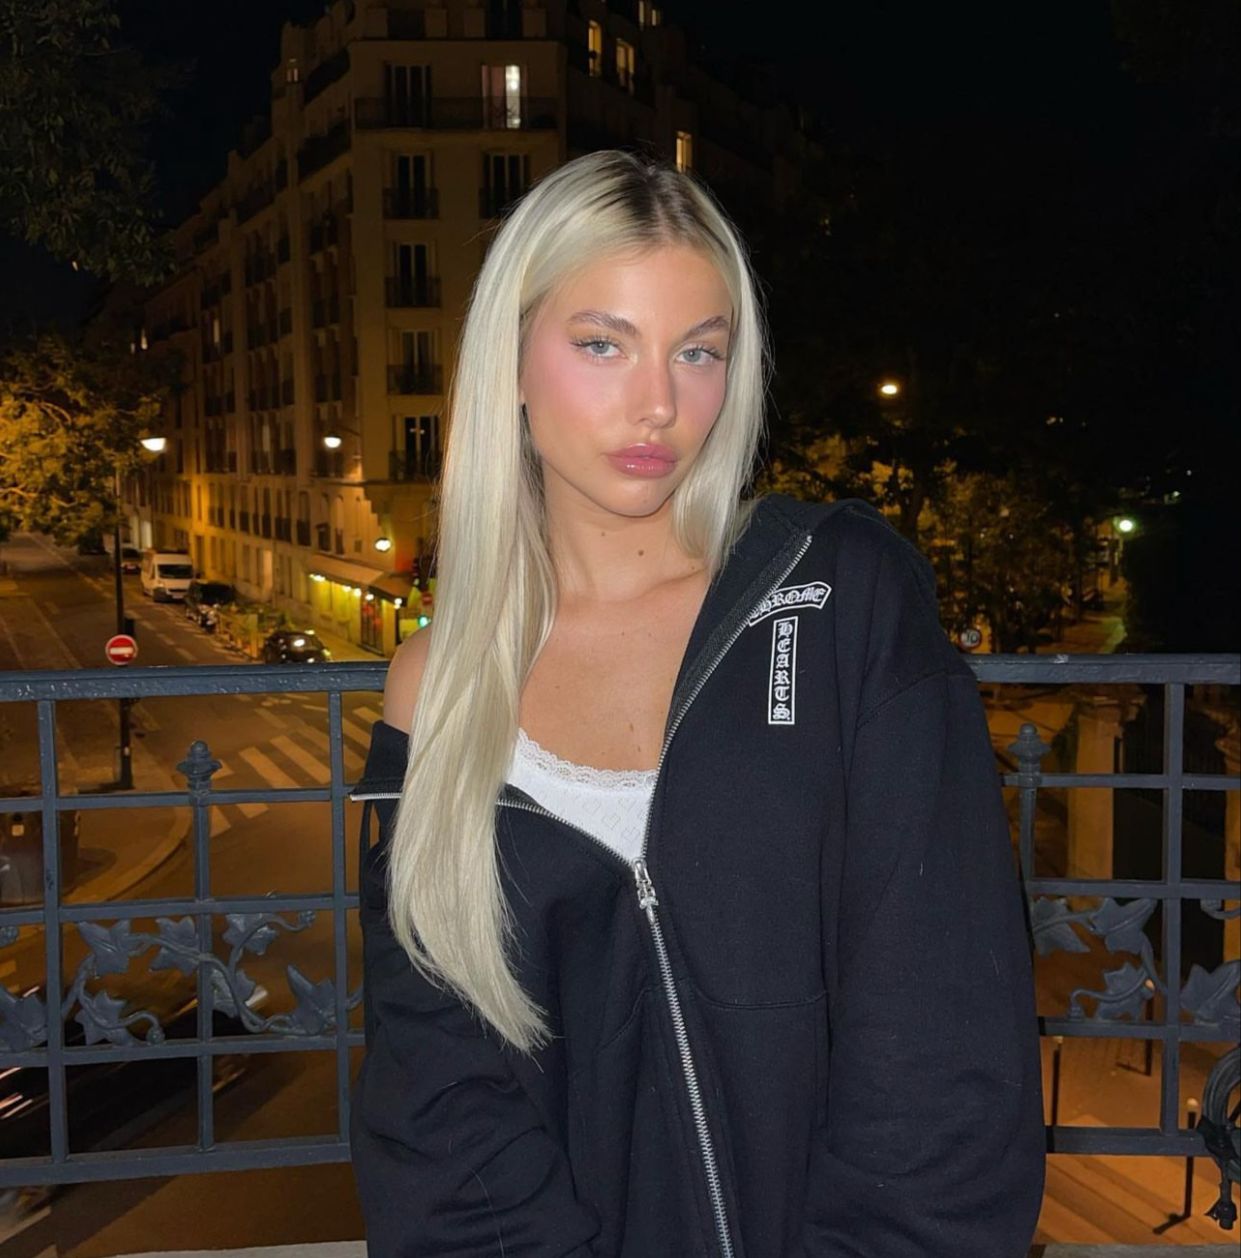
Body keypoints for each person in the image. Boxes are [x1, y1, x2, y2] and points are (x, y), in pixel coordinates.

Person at [349, 149, 1046, 1256]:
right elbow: (438, 1093)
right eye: (602, 343)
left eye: (698, 351)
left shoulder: (839, 599)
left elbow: (943, 1028)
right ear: (509, 361)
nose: (659, 404)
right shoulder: (437, 685)